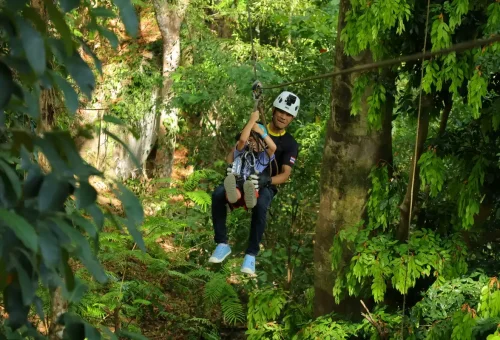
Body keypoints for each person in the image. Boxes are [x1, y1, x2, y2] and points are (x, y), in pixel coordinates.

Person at [208, 91, 300, 275]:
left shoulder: (290, 144)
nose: (283, 116)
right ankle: (222, 243)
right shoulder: (255, 128)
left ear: (292, 118)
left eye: (288, 114)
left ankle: (250, 256)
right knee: (219, 194)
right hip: (243, 176)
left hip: (265, 183)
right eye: (281, 111)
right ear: (273, 111)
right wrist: (230, 167)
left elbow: (285, 174)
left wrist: (267, 180)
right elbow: (235, 150)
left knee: (261, 204)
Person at [223, 110, 277, 210]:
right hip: (238, 183)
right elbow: (242, 140)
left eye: (256, 141)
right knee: (234, 193)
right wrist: (252, 121)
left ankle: (250, 200)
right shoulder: (241, 151)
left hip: (251, 186)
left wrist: (260, 131)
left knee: (252, 189)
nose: (253, 143)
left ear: (263, 142)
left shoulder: (263, 157)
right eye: (251, 140)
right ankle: (232, 196)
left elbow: (273, 147)